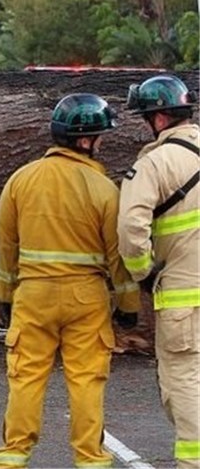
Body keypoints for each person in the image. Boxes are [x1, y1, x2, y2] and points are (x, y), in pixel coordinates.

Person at [0, 94, 139, 468]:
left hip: (33, 295)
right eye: (101, 136)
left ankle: (12, 456)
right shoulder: (105, 190)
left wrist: (5, 295)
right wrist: (128, 306)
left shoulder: (20, 181)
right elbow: (116, 257)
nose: (102, 143)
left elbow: (7, 247)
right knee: (87, 380)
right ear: (85, 140)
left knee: (25, 377)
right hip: (86, 298)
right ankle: (90, 458)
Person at [117, 74, 200, 469]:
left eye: (147, 116)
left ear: (161, 118)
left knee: (184, 383)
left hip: (184, 300)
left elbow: (131, 230)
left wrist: (143, 273)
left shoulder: (153, 164)